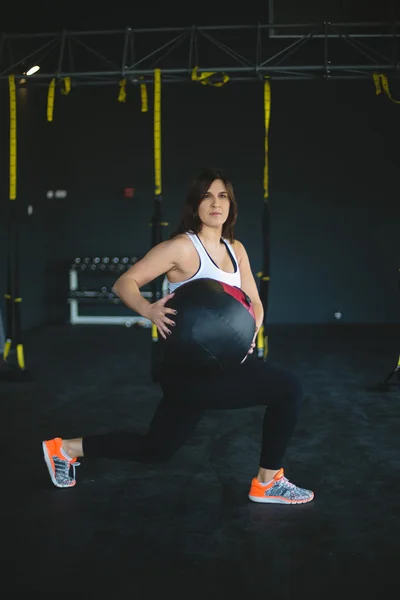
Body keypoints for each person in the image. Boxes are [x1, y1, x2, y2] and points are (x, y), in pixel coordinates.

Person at [42, 168, 314, 505]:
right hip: (188, 369)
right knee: (288, 389)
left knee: (156, 449)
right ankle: (267, 482)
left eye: (223, 196)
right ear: (194, 204)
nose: (216, 203)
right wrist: (149, 310)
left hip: (225, 361)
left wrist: (250, 331)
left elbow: (254, 301)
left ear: (231, 205)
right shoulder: (182, 248)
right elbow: (125, 282)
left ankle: (64, 449)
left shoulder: (235, 249)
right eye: (207, 196)